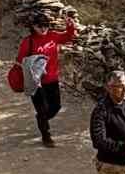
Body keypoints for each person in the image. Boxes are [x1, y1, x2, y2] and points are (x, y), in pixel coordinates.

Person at [16, 9, 78, 146]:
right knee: (42, 108)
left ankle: (41, 119)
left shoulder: (53, 36)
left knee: (55, 106)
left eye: (45, 25)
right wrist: (31, 75)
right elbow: (21, 61)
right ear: (33, 26)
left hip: (52, 79)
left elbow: (68, 37)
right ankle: (46, 135)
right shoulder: (28, 42)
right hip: (36, 82)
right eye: (40, 26)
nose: (43, 28)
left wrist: (70, 25)